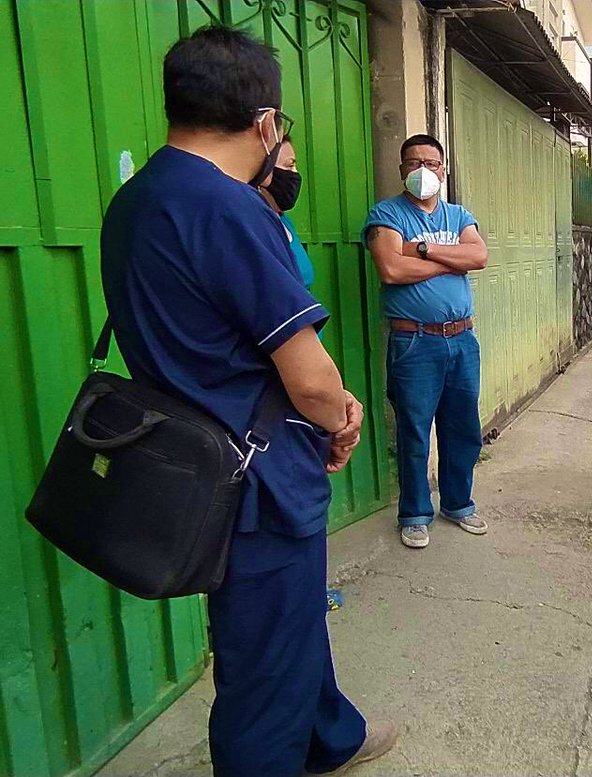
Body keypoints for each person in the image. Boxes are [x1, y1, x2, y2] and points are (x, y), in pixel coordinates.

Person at [99, 26, 395, 776]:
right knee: (263, 664)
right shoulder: (229, 208)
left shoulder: (136, 201)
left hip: (196, 459)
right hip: (255, 477)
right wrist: (343, 419)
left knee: (289, 624)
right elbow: (311, 378)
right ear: (266, 123)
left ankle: (330, 736)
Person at [363, 134, 489, 549]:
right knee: (415, 432)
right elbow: (391, 269)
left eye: (431, 163)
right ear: (402, 169)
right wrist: (448, 261)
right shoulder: (386, 214)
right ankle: (415, 514)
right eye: (414, 162)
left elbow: (478, 257)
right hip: (414, 342)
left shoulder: (459, 214)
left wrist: (419, 250)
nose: (423, 170)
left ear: (443, 169)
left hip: (462, 339)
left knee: (463, 428)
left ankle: (458, 504)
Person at [259, 134, 315, 292]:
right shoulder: (256, 225)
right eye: (289, 166)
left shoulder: (284, 221)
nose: (295, 174)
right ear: (266, 172)